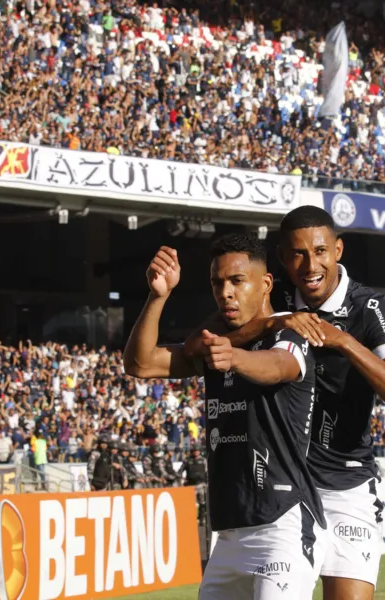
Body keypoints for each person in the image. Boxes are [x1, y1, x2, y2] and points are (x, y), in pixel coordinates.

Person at [186, 207, 385, 600]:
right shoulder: (270, 295)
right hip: (283, 492)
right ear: (282, 257)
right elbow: (202, 344)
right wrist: (272, 322)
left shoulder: (369, 308)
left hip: (344, 485)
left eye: (320, 251)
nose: (310, 265)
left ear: (338, 250)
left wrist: (345, 342)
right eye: (297, 253)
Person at [124, 234, 325, 600]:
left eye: (236, 281)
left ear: (265, 284)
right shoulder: (220, 342)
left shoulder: (289, 328)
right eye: (217, 283)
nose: (225, 292)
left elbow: (278, 367)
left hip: (282, 524)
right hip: (229, 534)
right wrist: (159, 296)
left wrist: (232, 357)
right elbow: (140, 363)